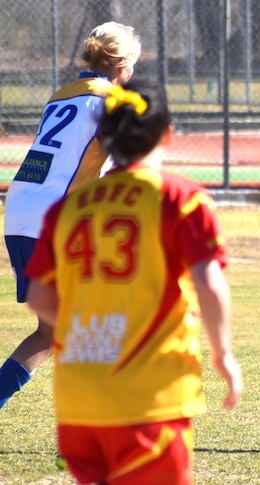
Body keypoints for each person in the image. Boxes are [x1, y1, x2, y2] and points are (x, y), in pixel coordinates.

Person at [24, 79, 243, 484]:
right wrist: (223, 355)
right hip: (149, 396)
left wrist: (87, 329)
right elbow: (209, 283)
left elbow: (39, 294)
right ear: (168, 133)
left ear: (103, 138)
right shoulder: (180, 198)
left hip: (79, 399)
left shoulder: (68, 209)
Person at [0, 21, 142, 409]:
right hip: (54, 221)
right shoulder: (113, 101)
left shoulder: (64, 94)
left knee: (50, 332)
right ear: (123, 62)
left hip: (20, 212)